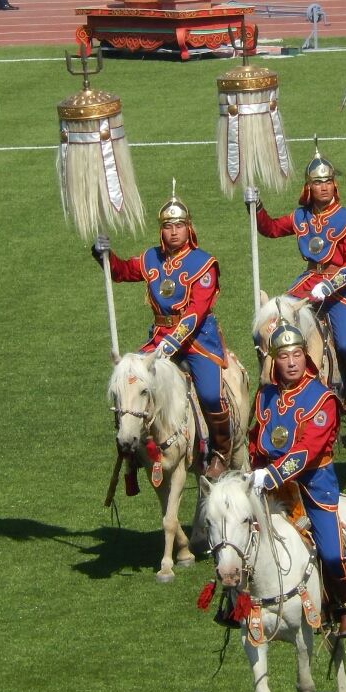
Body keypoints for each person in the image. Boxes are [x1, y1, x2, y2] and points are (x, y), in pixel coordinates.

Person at [94, 186, 235, 478]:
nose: (173, 232)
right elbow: (121, 271)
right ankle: (132, 445)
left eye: (179, 226)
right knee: (129, 381)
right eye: (168, 226)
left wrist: (174, 340)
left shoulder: (204, 264)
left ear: (189, 228)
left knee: (210, 395)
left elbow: (197, 310)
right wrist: (104, 254)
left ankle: (221, 450)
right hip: (159, 337)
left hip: (198, 340)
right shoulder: (151, 259)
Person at [248, 321, 346, 636]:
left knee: (332, 554)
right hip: (269, 486)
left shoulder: (322, 399)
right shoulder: (265, 396)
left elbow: (306, 452)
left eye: (297, 354)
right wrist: (252, 472)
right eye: (284, 356)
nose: (292, 362)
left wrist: (267, 476)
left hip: (312, 487)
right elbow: (255, 440)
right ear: (274, 360)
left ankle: (344, 604)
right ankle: (237, 602)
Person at [251, 146, 346, 415]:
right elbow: (269, 228)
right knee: (271, 321)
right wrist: (256, 206)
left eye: (328, 181)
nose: (324, 187)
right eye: (318, 183)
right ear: (309, 188)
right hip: (309, 279)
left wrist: (331, 283)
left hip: (339, 288)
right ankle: (274, 376)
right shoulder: (301, 216)